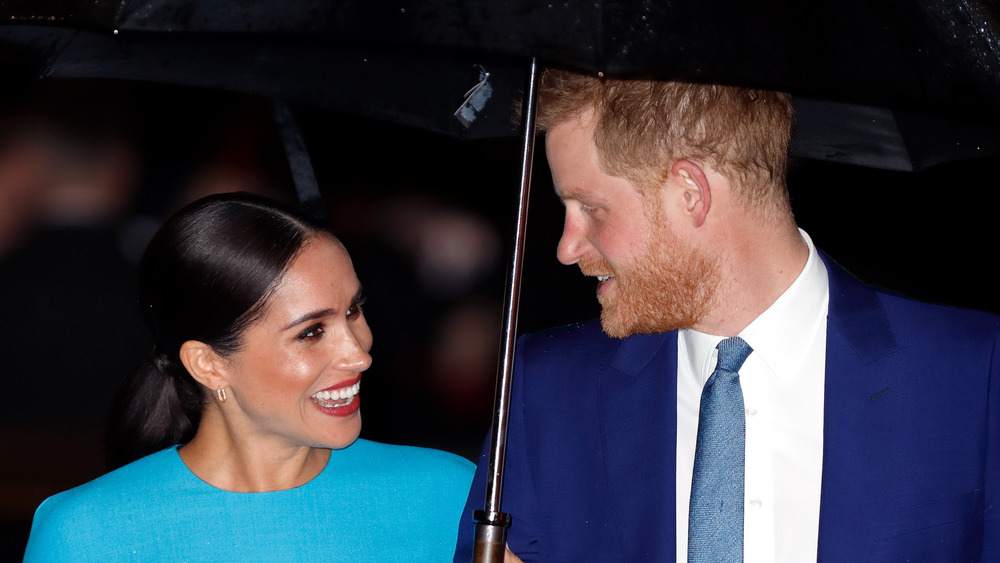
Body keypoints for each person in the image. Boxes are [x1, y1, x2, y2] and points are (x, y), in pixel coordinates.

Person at [455, 70, 1000, 562]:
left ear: (691, 192)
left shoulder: (974, 375)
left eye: (591, 209)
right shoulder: (542, 391)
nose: (567, 248)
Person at [24, 192, 474, 561]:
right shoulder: (88, 535)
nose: (359, 354)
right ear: (208, 363)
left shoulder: (451, 494)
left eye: (353, 310)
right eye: (312, 332)